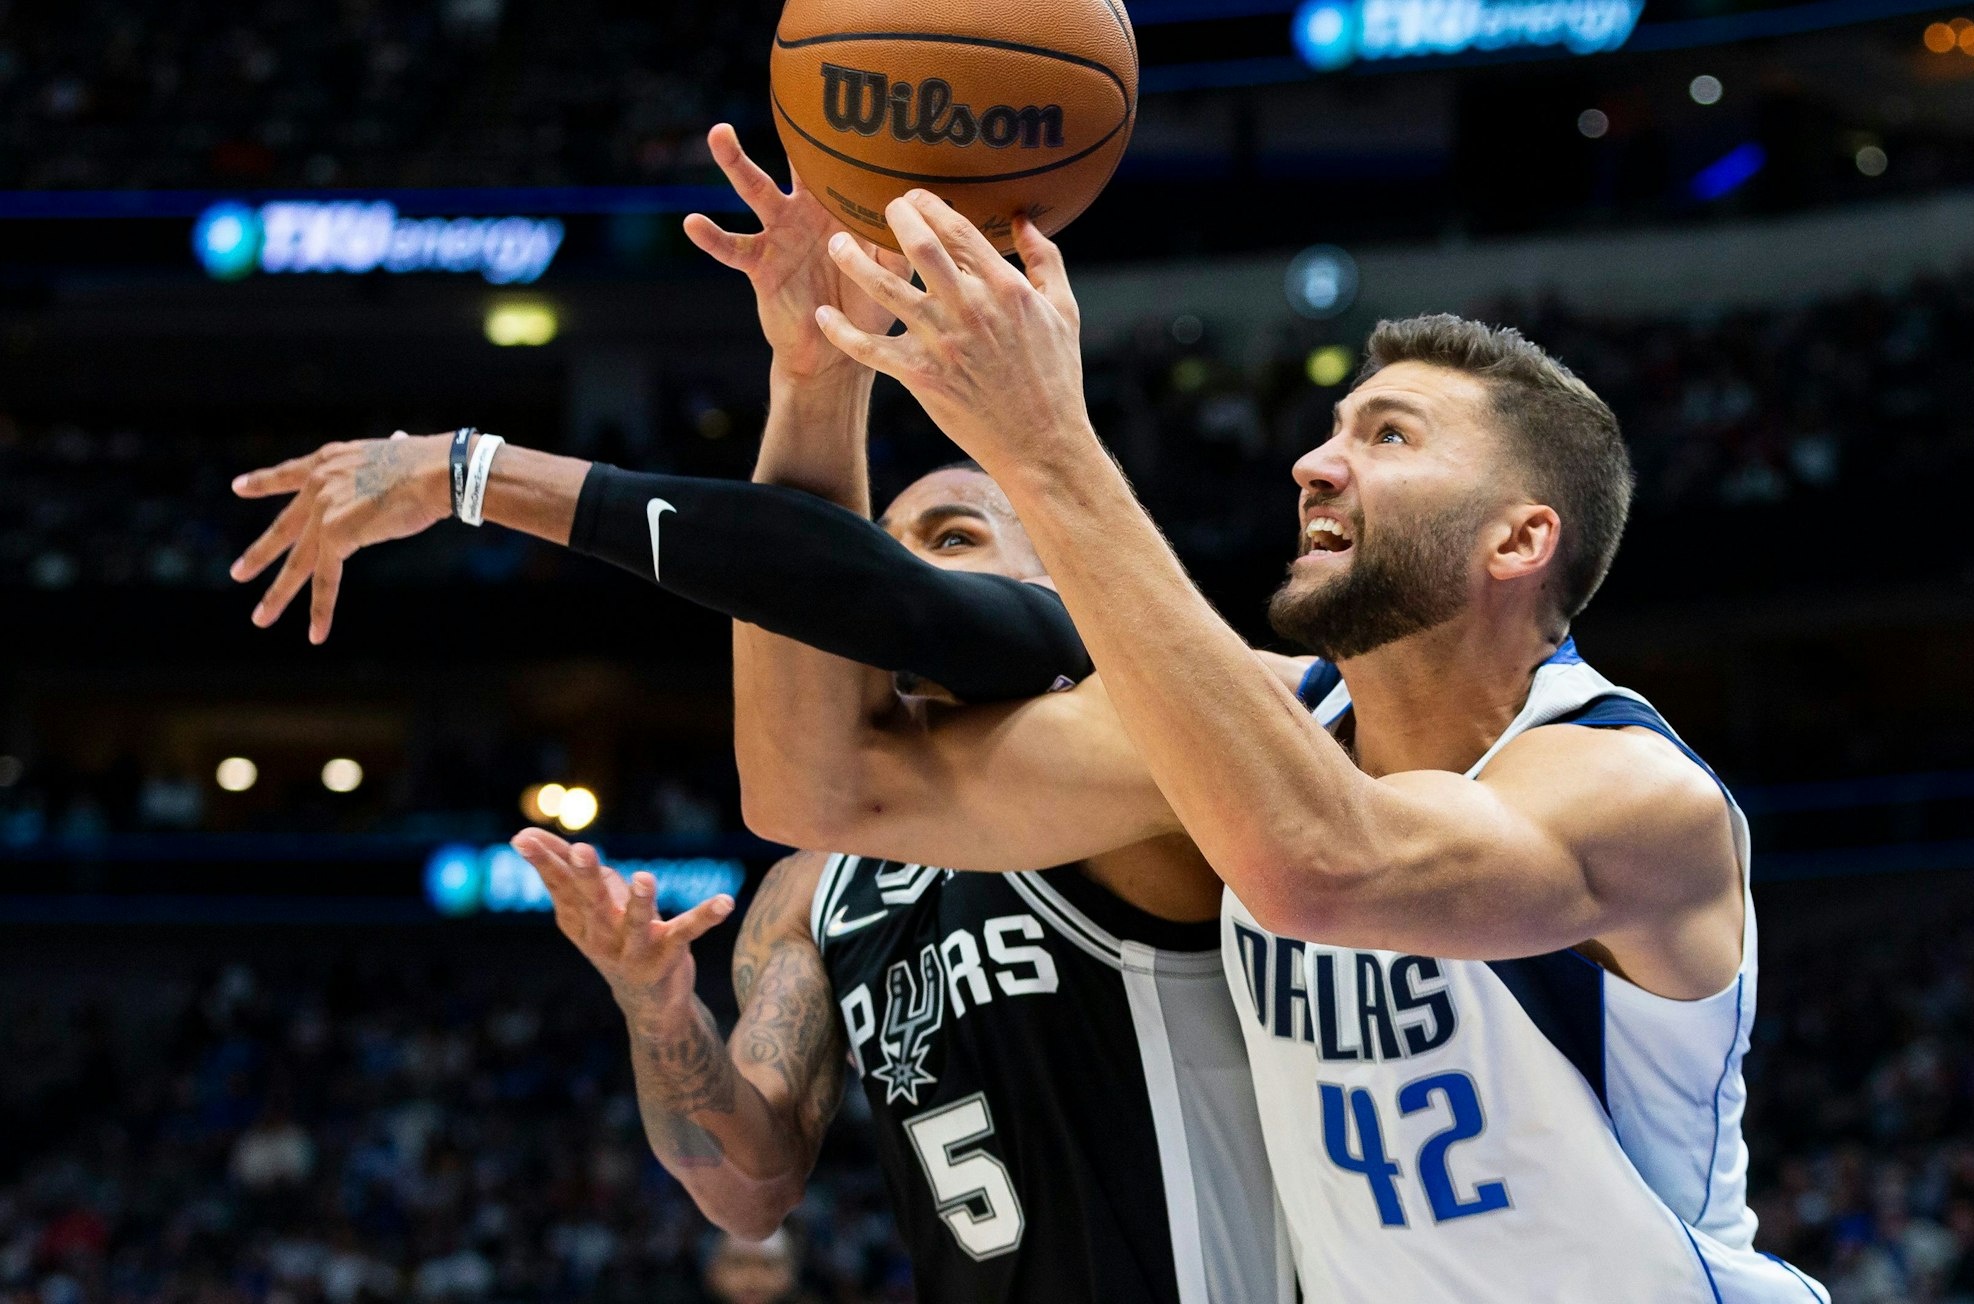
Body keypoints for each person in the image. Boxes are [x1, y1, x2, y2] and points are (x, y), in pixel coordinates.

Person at [228, 127, 1289, 1303]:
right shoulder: (817, 884)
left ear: (1062, 571)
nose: (906, 576)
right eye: (897, 546)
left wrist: (465, 471)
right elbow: (748, 1180)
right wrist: (658, 1016)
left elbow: (830, 586)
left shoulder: (1150, 739)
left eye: (952, 537)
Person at [719, 187, 1829, 1300]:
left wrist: (1049, 445)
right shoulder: (1269, 728)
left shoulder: (1630, 793)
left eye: (1388, 435)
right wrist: (815, 380)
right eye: (1331, 427)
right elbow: (817, 785)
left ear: (1519, 537)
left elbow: (1322, 863)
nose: (1313, 462)